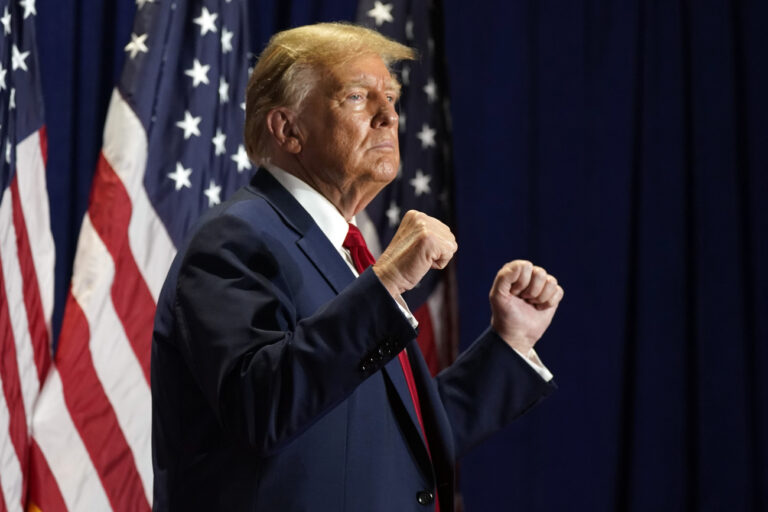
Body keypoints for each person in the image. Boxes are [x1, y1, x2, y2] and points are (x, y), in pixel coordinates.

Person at [151, 22, 564, 511]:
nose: (389, 115)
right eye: (356, 97)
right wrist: (386, 282)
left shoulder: (342, 252)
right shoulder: (235, 239)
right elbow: (261, 407)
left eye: (389, 97)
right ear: (288, 129)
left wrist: (509, 344)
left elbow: (399, 436)